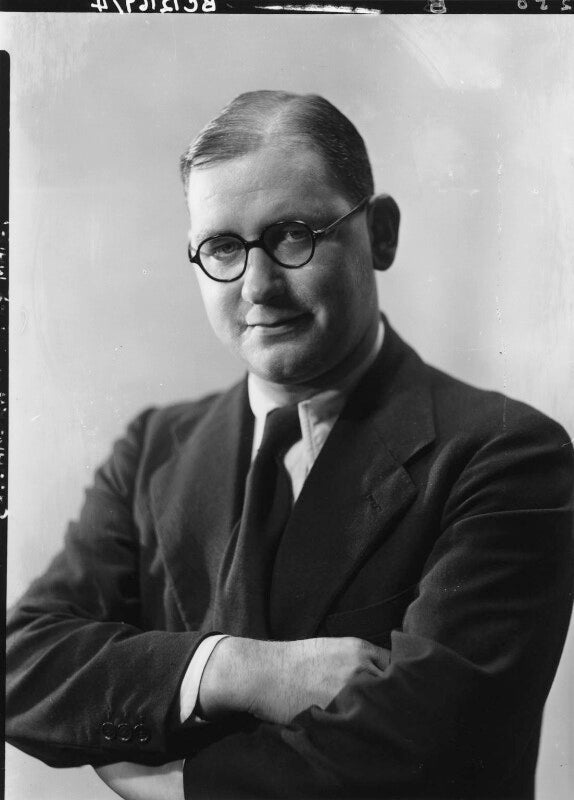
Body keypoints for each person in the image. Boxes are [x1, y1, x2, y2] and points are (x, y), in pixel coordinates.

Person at [6, 90, 574, 800]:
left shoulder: (507, 454)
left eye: (294, 235)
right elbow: (21, 666)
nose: (258, 285)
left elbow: (427, 746)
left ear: (381, 234)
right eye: (222, 247)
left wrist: (169, 784)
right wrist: (238, 669)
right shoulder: (151, 448)